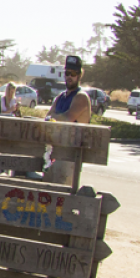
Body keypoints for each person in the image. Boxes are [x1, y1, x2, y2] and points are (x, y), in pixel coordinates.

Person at [44, 55, 92, 184]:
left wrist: (53, 117)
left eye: (74, 73)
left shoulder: (81, 97)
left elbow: (66, 118)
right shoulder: (60, 97)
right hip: (54, 153)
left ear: (80, 75)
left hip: (71, 156)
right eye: (67, 73)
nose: (69, 76)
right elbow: (47, 117)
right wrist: (52, 117)